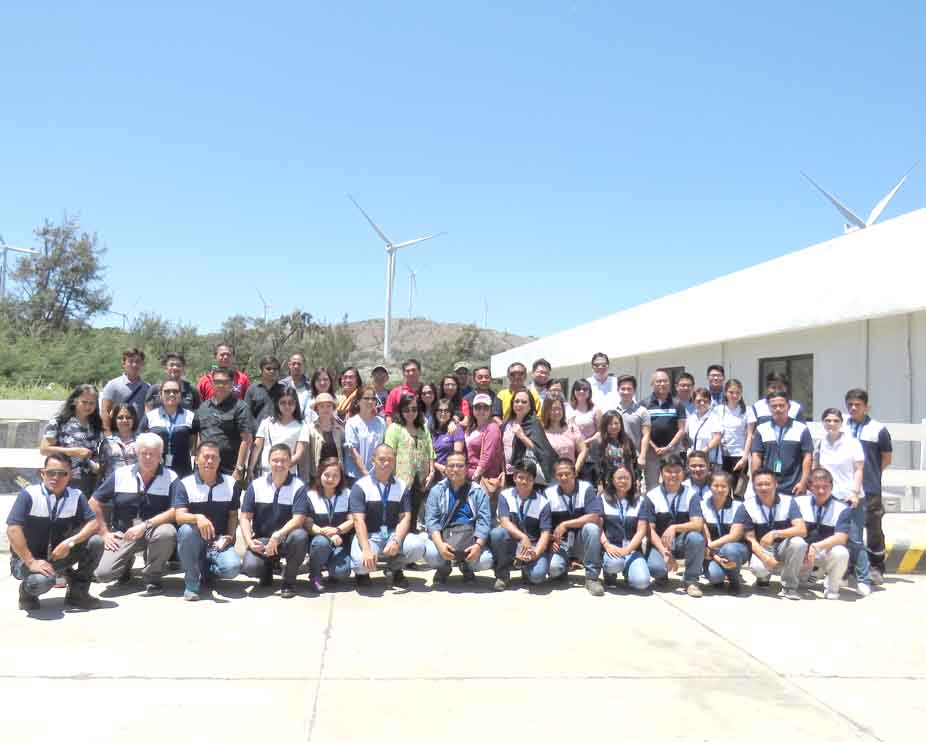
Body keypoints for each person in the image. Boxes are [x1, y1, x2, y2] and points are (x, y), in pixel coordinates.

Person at [6, 453, 104, 610]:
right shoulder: (29, 494)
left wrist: (69, 542)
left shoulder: (76, 496)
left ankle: (77, 593)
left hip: (58, 556)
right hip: (26, 561)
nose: (56, 478)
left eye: (62, 473)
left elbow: (93, 524)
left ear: (70, 475)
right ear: (42, 473)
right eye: (51, 472)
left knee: (96, 542)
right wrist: (31, 562)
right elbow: (13, 529)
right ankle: (27, 593)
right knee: (42, 582)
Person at [90, 433, 179, 593]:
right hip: (124, 533)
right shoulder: (121, 474)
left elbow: (175, 510)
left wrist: (145, 526)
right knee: (103, 575)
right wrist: (104, 532)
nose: (147, 457)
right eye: (144, 453)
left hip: (154, 530)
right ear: (137, 453)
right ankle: (125, 565)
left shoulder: (171, 477)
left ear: (160, 455)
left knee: (167, 532)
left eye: (152, 453)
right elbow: (94, 502)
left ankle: (152, 576)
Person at [349, 444, 427, 588]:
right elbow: (358, 520)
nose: (386, 463)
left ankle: (395, 568)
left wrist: (397, 540)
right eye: (382, 459)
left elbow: (405, 518)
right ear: (373, 461)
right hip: (370, 535)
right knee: (361, 563)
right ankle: (362, 574)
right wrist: (366, 548)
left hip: (391, 533)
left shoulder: (401, 485)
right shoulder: (361, 486)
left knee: (417, 546)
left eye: (390, 460)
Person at [173, 441, 242, 601]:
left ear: (219, 461)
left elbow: (233, 515)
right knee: (186, 530)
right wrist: (198, 518)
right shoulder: (185, 484)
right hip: (194, 540)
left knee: (232, 569)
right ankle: (191, 583)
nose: (210, 461)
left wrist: (230, 537)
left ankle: (206, 570)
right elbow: (179, 516)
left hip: (218, 541)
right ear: (196, 459)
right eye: (205, 457)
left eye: (214, 458)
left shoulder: (231, 483)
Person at [239, 443, 309, 598]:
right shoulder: (256, 485)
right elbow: (244, 517)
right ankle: (267, 571)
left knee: (300, 536)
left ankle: (288, 582)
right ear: (268, 461)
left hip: (286, 539)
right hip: (263, 540)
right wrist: (249, 541)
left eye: (284, 460)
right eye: (275, 460)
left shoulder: (298, 486)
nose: (279, 464)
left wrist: (278, 535)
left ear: (290, 462)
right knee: (251, 567)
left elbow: (299, 519)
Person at [814, 407, 869, 594]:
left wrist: (854, 492)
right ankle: (837, 576)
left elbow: (859, 469)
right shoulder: (821, 443)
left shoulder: (852, 443)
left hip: (849, 497)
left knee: (854, 539)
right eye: (828, 420)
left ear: (841, 423)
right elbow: (818, 468)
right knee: (831, 538)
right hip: (829, 496)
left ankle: (863, 579)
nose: (831, 424)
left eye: (835, 421)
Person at [844, 388, 892, 585]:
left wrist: (869, 475)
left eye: (858, 405)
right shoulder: (841, 427)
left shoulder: (878, 429)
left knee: (873, 529)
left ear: (866, 407)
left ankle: (876, 566)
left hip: (870, 488)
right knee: (846, 528)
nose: (854, 408)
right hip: (846, 489)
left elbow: (886, 459)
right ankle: (848, 567)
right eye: (850, 405)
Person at [424, 451, 494, 584]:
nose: (455, 469)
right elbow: (431, 521)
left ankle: (466, 566)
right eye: (451, 466)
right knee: (431, 553)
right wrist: (439, 545)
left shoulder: (478, 492)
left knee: (486, 560)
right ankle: (443, 568)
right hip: (445, 537)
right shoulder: (437, 491)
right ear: (446, 469)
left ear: (467, 468)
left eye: (460, 466)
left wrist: (478, 546)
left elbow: (483, 522)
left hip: (470, 539)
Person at [644, 454, 706, 597]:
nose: (673, 475)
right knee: (656, 568)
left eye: (677, 471)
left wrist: (675, 528)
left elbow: (698, 524)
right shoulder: (652, 496)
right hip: (661, 543)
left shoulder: (691, 495)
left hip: (682, 542)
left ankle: (691, 580)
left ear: (684, 473)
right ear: (661, 472)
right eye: (668, 471)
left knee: (696, 538)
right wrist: (664, 552)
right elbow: (649, 530)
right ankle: (661, 576)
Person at [743, 468, 808, 600]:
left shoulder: (788, 501)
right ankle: (763, 577)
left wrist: (775, 533)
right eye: (759, 484)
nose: (764, 487)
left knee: (799, 543)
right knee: (758, 568)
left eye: (767, 484)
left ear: (775, 484)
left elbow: (802, 529)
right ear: (754, 487)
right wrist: (765, 558)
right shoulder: (747, 505)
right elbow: (750, 538)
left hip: (784, 546)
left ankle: (789, 587)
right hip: (763, 549)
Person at [490, 459, 552, 590]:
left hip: (533, 546)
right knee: (497, 533)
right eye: (520, 477)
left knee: (537, 576)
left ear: (534, 480)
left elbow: (545, 533)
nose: (524, 482)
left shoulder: (543, 502)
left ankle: (526, 569)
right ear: (514, 478)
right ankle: (502, 574)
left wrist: (535, 553)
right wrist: (523, 537)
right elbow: (504, 521)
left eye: (528, 478)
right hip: (513, 543)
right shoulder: (505, 495)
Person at [545, 458, 604, 596]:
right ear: (555, 476)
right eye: (560, 474)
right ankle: (563, 568)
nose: (564, 477)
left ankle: (592, 578)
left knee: (592, 528)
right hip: (561, 543)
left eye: (567, 473)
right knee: (553, 569)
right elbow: (544, 524)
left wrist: (565, 524)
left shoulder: (586, 488)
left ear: (574, 473)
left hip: (581, 542)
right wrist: (550, 541)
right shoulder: (549, 493)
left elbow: (595, 516)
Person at [796, 468, 852, 600]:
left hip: (823, 553)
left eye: (825, 487)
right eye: (817, 487)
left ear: (831, 487)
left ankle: (832, 588)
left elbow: (841, 537)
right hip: (801, 554)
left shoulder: (842, 508)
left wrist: (816, 547)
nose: (821, 491)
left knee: (841, 552)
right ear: (810, 487)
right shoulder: (798, 503)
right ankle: (796, 580)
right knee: (794, 545)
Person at [40, 384, 104, 497]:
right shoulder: (59, 421)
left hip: (87, 479)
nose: (88, 406)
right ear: (75, 401)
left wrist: (97, 465)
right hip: (62, 477)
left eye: (92, 403)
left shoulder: (95, 424)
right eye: (84, 402)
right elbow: (45, 449)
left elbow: (94, 452)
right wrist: (73, 451)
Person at [194, 367, 255, 485]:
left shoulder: (240, 407)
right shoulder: (203, 407)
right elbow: (199, 435)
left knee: (229, 503)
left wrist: (239, 469)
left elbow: (246, 439)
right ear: (212, 383)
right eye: (217, 382)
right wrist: (196, 460)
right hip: (204, 466)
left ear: (232, 384)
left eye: (225, 382)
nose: (221, 386)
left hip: (229, 469)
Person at [383, 393, 434, 526]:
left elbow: (430, 452)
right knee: (401, 515)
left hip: (421, 478)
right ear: (400, 410)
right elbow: (388, 453)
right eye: (406, 409)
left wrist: (432, 471)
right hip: (401, 479)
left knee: (415, 512)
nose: (410, 412)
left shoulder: (423, 428)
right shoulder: (395, 428)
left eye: (414, 409)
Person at [599, 464, 652, 591]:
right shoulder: (602, 498)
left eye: (627, 478)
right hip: (612, 548)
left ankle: (629, 572)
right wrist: (606, 545)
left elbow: (641, 531)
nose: (623, 481)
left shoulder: (640, 501)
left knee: (642, 583)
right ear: (612, 480)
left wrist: (627, 550)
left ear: (632, 480)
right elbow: (598, 527)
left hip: (632, 549)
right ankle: (609, 573)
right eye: (619, 478)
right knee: (615, 563)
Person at [750, 391, 814, 495]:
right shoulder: (761, 429)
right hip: (768, 487)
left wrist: (803, 482)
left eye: (781, 405)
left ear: (788, 407)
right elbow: (756, 456)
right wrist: (755, 480)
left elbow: (807, 457)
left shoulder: (801, 429)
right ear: (769, 408)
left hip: (794, 487)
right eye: (774, 406)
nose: (778, 409)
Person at [306, 457, 354, 591]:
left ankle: (332, 569)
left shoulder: (347, 494)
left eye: (335, 476)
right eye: (326, 475)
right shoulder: (310, 495)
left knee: (342, 573)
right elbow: (308, 524)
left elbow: (352, 520)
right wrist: (327, 534)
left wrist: (337, 530)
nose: (330, 479)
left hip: (339, 543)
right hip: (318, 541)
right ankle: (315, 573)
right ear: (320, 474)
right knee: (321, 543)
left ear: (341, 478)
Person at [701, 470, 749, 592]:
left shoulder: (739, 506)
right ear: (709, 487)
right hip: (712, 552)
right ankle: (722, 573)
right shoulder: (702, 505)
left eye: (724, 486)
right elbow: (704, 532)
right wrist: (715, 556)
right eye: (715, 486)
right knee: (715, 577)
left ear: (729, 488)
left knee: (730, 549)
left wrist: (712, 545)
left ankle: (734, 581)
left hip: (735, 548)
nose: (719, 489)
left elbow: (735, 535)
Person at [139, 379, 197, 477]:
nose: (171, 394)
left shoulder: (191, 417)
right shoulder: (150, 417)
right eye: (167, 391)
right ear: (160, 395)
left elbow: (193, 443)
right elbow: (141, 442)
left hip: (183, 471)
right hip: (155, 472)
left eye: (175, 391)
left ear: (180, 395)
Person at [643, 370, 687, 491]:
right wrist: (654, 447)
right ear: (652, 384)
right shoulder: (645, 404)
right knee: (652, 486)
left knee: (673, 483)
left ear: (670, 384)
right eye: (658, 381)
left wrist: (668, 447)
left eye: (665, 381)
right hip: (652, 452)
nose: (662, 384)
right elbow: (643, 431)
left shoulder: (677, 403)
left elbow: (681, 429)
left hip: (672, 450)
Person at [501, 388, 556, 485]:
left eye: (524, 402)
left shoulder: (534, 423)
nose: (519, 404)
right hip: (509, 473)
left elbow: (539, 450)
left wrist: (522, 436)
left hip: (527, 474)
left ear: (530, 406)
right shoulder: (507, 423)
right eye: (516, 401)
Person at [249, 387, 306, 478]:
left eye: (290, 403)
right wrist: (250, 468)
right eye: (283, 403)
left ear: (296, 404)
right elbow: (257, 447)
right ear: (277, 404)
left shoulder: (302, 426)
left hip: (288, 474)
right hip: (265, 474)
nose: (287, 406)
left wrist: (281, 467)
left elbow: (299, 454)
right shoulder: (267, 422)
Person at [343, 384, 387, 487]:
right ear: (358, 401)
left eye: (373, 398)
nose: (370, 401)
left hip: (377, 476)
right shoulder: (352, 423)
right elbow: (352, 451)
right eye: (366, 398)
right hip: (356, 477)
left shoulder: (381, 423)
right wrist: (365, 474)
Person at [101, 347, 150, 436]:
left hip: (139, 436)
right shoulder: (113, 385)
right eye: (130, 361)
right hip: (117, 435)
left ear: (142, 364)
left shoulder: (147, 387)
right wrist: (108, 434)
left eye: (138, 362)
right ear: (124, 364)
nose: (134, 365)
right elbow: (105, 411)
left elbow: (149, 414)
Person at [715, 379, 751, 498]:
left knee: (739, 492)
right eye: (731, 392)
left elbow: (750, 435)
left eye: (738, 392)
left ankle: (739, 516)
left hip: (739, 456)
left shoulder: (747, 411)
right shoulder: (719, 410)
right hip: (722, 456)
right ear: (725, 393)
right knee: (723, 491)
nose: (734, 395)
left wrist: (745, 457)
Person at [465, 393, 505, 498]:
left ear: (490, 410)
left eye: (485, 407)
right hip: (468, 476)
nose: (481, 411)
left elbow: (487, 456)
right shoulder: (472, 428)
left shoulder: (492, 428)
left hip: (481, 479)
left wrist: (475, 477)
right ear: (473, 409)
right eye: (478, 407)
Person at [300, 392, 345, 483]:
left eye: (328, 406)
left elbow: (343, 454)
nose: (325, 409)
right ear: (317, 409)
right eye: (322, 406)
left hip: (336, 476)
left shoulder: (340, 429)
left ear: (333, 408)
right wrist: (306, 480)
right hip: (316, 477)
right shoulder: (309, 429)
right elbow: (305, 458)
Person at [541, 396, 588, 475]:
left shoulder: (572, 428)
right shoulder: (541, 431)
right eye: (553, 409)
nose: (556, 412)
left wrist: (575, 470)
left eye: (559, 409)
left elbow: (583, 450)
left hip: (569, 476)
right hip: (549, 477)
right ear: (546, 410)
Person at [592, 410, 638, 488]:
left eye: (616, 423)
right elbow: (597, 466)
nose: (614, 426)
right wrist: (599, 483)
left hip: (627, 481)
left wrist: (637, 479)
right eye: (610, 424)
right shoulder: (599, 442)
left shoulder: (627, 440)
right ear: (605, 425)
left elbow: (634, 461)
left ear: (621, 424)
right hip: (608, 483)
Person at [615, 375, 651, 471]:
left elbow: (646, 435)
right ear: (618, 390)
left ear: (634, 391)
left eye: (629, 389)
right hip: (614, 457)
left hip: (634, 458)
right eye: (623, 389)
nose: (626, 392)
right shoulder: (612, 410)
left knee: (635, 485)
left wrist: (642, 456)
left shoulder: (642, 411)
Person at [429, 398, 465, 485]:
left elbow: (458, 455)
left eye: (446, 411)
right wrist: (436, 466)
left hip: (449, 475)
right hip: (432, 475)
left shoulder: (456, 429)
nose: (443, 413)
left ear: (451, 413)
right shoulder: (432, 430)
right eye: (440, 410)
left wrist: (443, 468)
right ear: (435, 412)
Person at [99, 404, 139, 480]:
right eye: (120, 418)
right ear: (114, 420)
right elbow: (102, 470)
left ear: (134, 419)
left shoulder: (142, 441)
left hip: (135, 486)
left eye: (128, 417)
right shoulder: (106, 443)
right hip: (113, 487)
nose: (124, 420)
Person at [244, 356, 283, 426]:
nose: (272, 371)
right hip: (257, 433)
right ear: (261, 370)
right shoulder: (252, 390)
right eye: (268, 368)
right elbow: (247, 415)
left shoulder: (285, 390)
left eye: (275, 369)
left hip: (280, 432)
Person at [686, 388, 721, 464]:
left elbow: (717, 438)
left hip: (710, 461)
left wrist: (702, 452)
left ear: (710, 402)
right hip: (694, 460)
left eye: (705, 401)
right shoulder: (691, 418)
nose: (702, 403)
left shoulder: (714, 417)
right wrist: (689, 450)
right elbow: (686, 438)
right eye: (698, 401)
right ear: (693, 402)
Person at [384, 358, 423, 423]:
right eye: (407, 371)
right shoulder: (395, 393)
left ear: (419, 372)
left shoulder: (427, 392)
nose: (411, 373)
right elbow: (388, 416)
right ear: (404, 374)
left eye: (413, 370)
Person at [279, 352, 312, 419]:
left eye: (299, 364)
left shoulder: (310, 387)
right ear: (289, 365)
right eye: (294, 363)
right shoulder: (281, 385)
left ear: (304, 366)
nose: (296, 366)